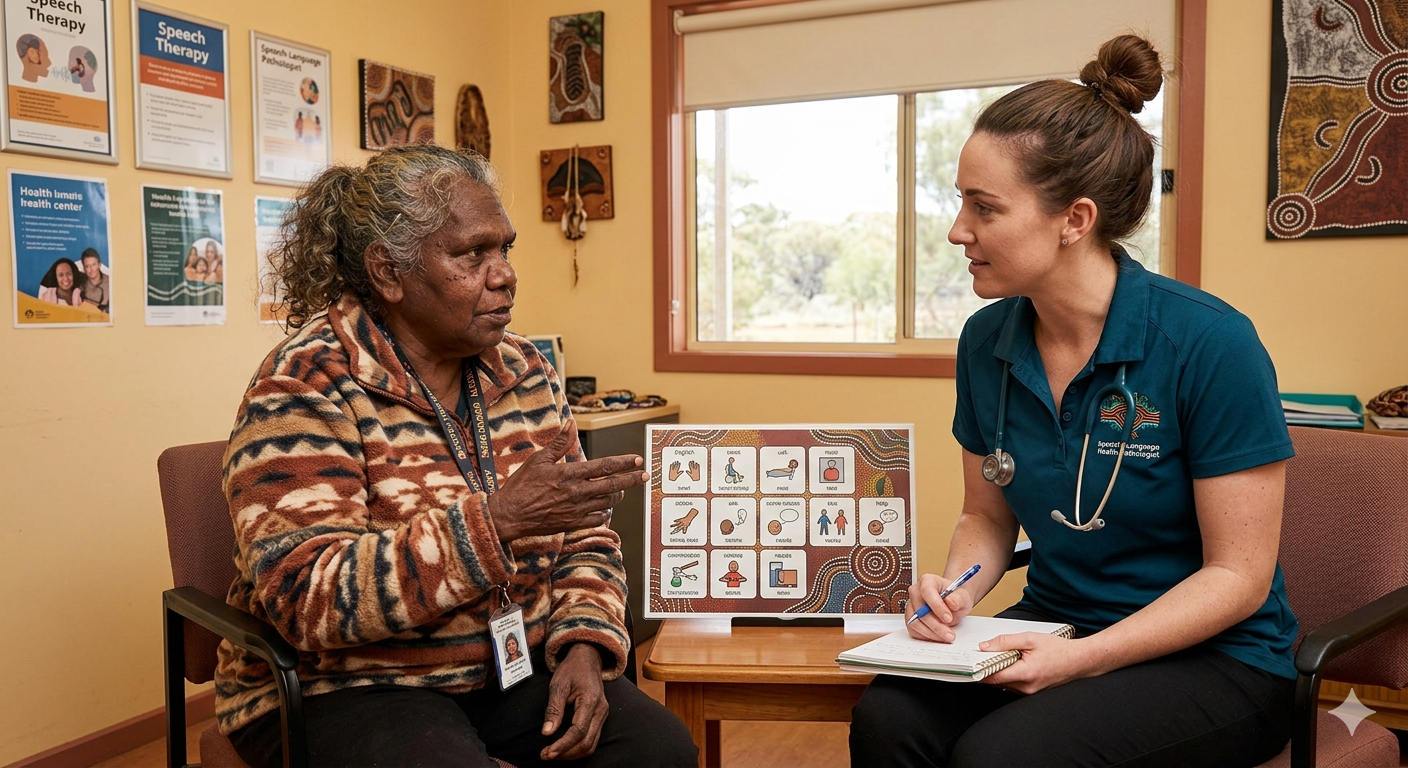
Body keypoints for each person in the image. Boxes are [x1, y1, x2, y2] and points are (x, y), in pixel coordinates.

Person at [850, 35, 1297, 767]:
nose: (958, 230)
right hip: (1057, 624)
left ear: (1075, 220)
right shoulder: (986, 342)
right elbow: (985, 517)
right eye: (961, 201)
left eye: (984, 208)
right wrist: (958, 587)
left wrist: (1084, 659)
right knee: (890, 717)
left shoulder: (1209, 343)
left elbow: (1238, 579)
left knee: (1005, 755)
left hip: (1221, 660)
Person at [218, 144, 697, 768]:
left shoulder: (526, 371)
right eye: (472, 254)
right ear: (389, 273)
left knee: (660, 751)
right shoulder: (303, 385)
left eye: (506, 248)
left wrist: (584, 641)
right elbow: (309, 597)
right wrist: (497, 521)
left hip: (505, 669)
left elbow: (586, 534)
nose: (504, 274)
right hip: (347, 685)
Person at [78, 248, 110, 313]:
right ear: (83, 268)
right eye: (87, 266)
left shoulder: (109, 282)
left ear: (99, 265)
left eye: (94, 265)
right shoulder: (80, 280)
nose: (91, 269)